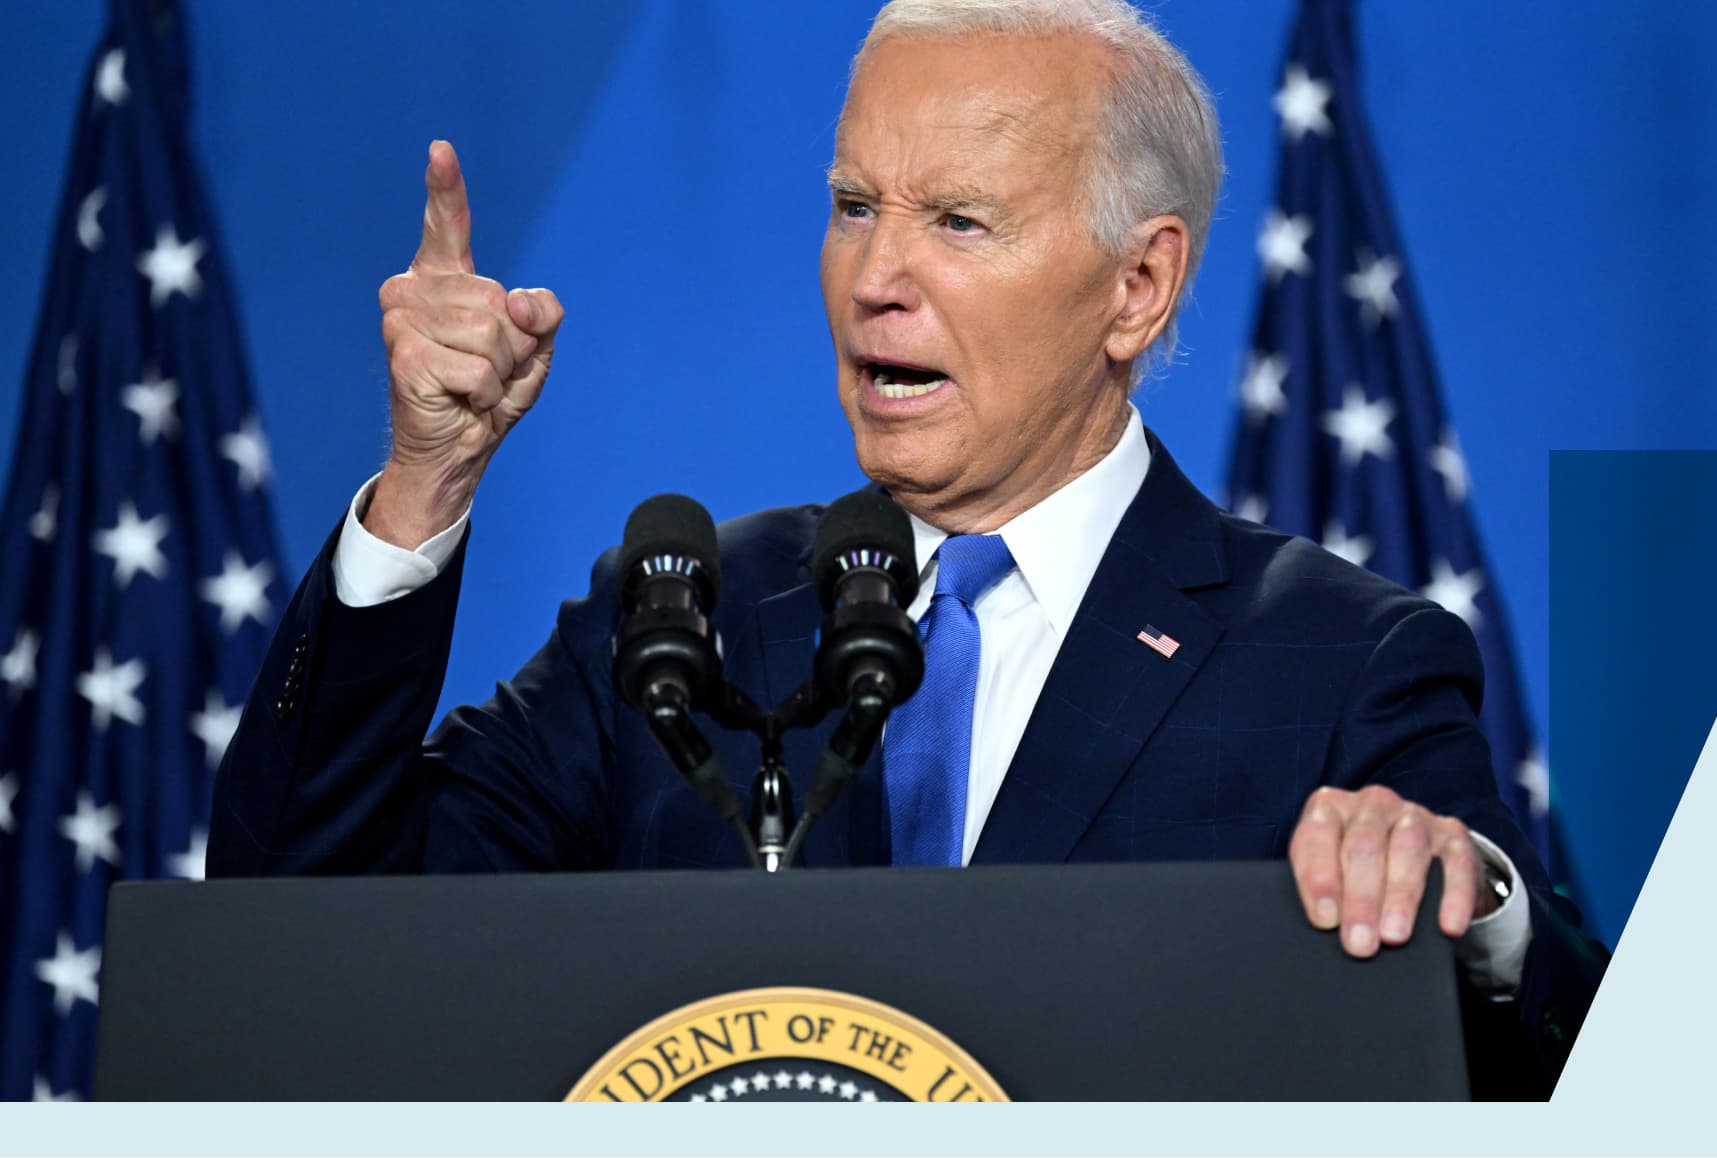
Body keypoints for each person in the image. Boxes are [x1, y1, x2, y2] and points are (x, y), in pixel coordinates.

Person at [209, 0, 1605, 1096]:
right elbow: (304, 929)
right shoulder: (681, 619)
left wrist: (1465, 901)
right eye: (855, 204)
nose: (878, 279)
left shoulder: (1335, 659)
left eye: (958, 221)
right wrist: (424, 481)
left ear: (1138, 284)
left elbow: (1573, 1052)